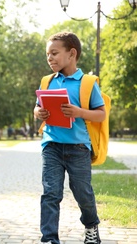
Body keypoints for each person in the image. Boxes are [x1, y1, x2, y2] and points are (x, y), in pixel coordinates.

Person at [33, 31, 105, 244]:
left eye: (54, 53)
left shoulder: (88, 83)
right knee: (50, 194)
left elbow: (101, 114)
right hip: (52, 145)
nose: (50, 58)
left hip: (78, 148)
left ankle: (91, 226)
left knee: (83, 193)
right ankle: (49, 239)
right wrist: (39, 113)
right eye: (48, 54)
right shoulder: (47, 81)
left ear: (71, 53)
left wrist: (79, 112)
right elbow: (36, 108)